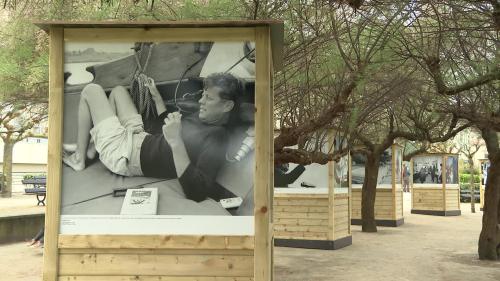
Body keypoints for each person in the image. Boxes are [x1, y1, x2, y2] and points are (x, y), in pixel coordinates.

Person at [63, 72, 243, 202]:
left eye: (209, 99)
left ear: (227, 106)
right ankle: (92, 148)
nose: (201, 101)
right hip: (140, 138)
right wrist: (157, 99)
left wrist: (176, 141)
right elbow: (161, 132)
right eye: (203, 95)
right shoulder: (204, 118)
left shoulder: (217, 137)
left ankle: (79, 158)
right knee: (118, 91)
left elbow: (196, 191)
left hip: (125, 154)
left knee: (91, 90)